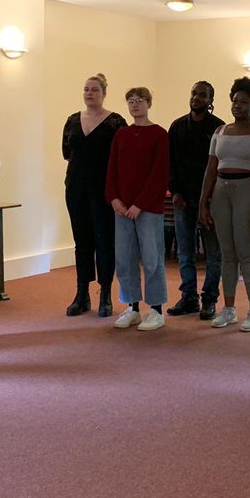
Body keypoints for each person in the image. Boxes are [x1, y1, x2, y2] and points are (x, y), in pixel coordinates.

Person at [199, 77, 250, 332]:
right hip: (221, 192)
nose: (237, 106)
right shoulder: (219, 132)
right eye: (234, 101)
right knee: (227, 255)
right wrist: (203, 204)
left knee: (247, 254)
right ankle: (229, 308)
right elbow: (210, 170)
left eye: (243, 102)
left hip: (248, 191)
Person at [62, 73, 128, 318]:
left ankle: (106, 293)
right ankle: (82, 293)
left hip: (104, 190)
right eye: (86, 89)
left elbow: (122, 157)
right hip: (76, 187)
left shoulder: (116, 122)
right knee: (82, 241)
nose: (89, 93)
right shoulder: (72, 120)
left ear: (104, 93)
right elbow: (67, 152)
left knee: (104, 240)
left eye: (95, 90)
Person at [106, 87, 171, 330]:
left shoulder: (159, 134)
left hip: (148, 209)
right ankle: (132, 307)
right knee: (124, 259)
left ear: (149, 104)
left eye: (140, 100)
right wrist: (113, 198)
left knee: (152, 259)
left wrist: (140, 204)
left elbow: (159, 174)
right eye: (131, 101)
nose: (135, 105)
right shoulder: (121, 134)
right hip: (122, 209)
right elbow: (112, 169)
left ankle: (156, 310)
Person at [166, 81, 225, 320]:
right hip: (183, 200)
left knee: (214, 253)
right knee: (185, 252)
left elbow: (220, 166)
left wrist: (209, 199)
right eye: (194, 93)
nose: (196, 98)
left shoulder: (219, 128)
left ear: (210, 100)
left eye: (202, 95)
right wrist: (175, 192)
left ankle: (209, 299)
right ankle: (189, 297)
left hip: (211, 201)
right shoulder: (177, 126)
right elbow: (170, 163)